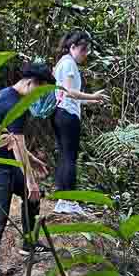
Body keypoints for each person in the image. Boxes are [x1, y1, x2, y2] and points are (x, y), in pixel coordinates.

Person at [0, 61, 55, 276]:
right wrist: (30, 180)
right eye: (39, 91)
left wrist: (33, 160)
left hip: (4, 160)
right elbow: (17, 143)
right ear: (31, 83)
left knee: (34, 197)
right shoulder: (14, 104)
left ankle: (28, 243)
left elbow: (12, 140)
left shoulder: (5, 94)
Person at [52, 29, 107, 216]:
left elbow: (72, 94)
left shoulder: (62, 63)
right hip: (68, 115)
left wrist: (93, 99)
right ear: (72, 47)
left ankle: (62, 199)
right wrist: (92, 95)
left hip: (60, 113)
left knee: (64, 156)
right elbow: (69, 92)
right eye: (82, 50)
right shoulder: (68, 64)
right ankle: (69, 200)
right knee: (70, 158)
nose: (85, 54)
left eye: (87, 50)